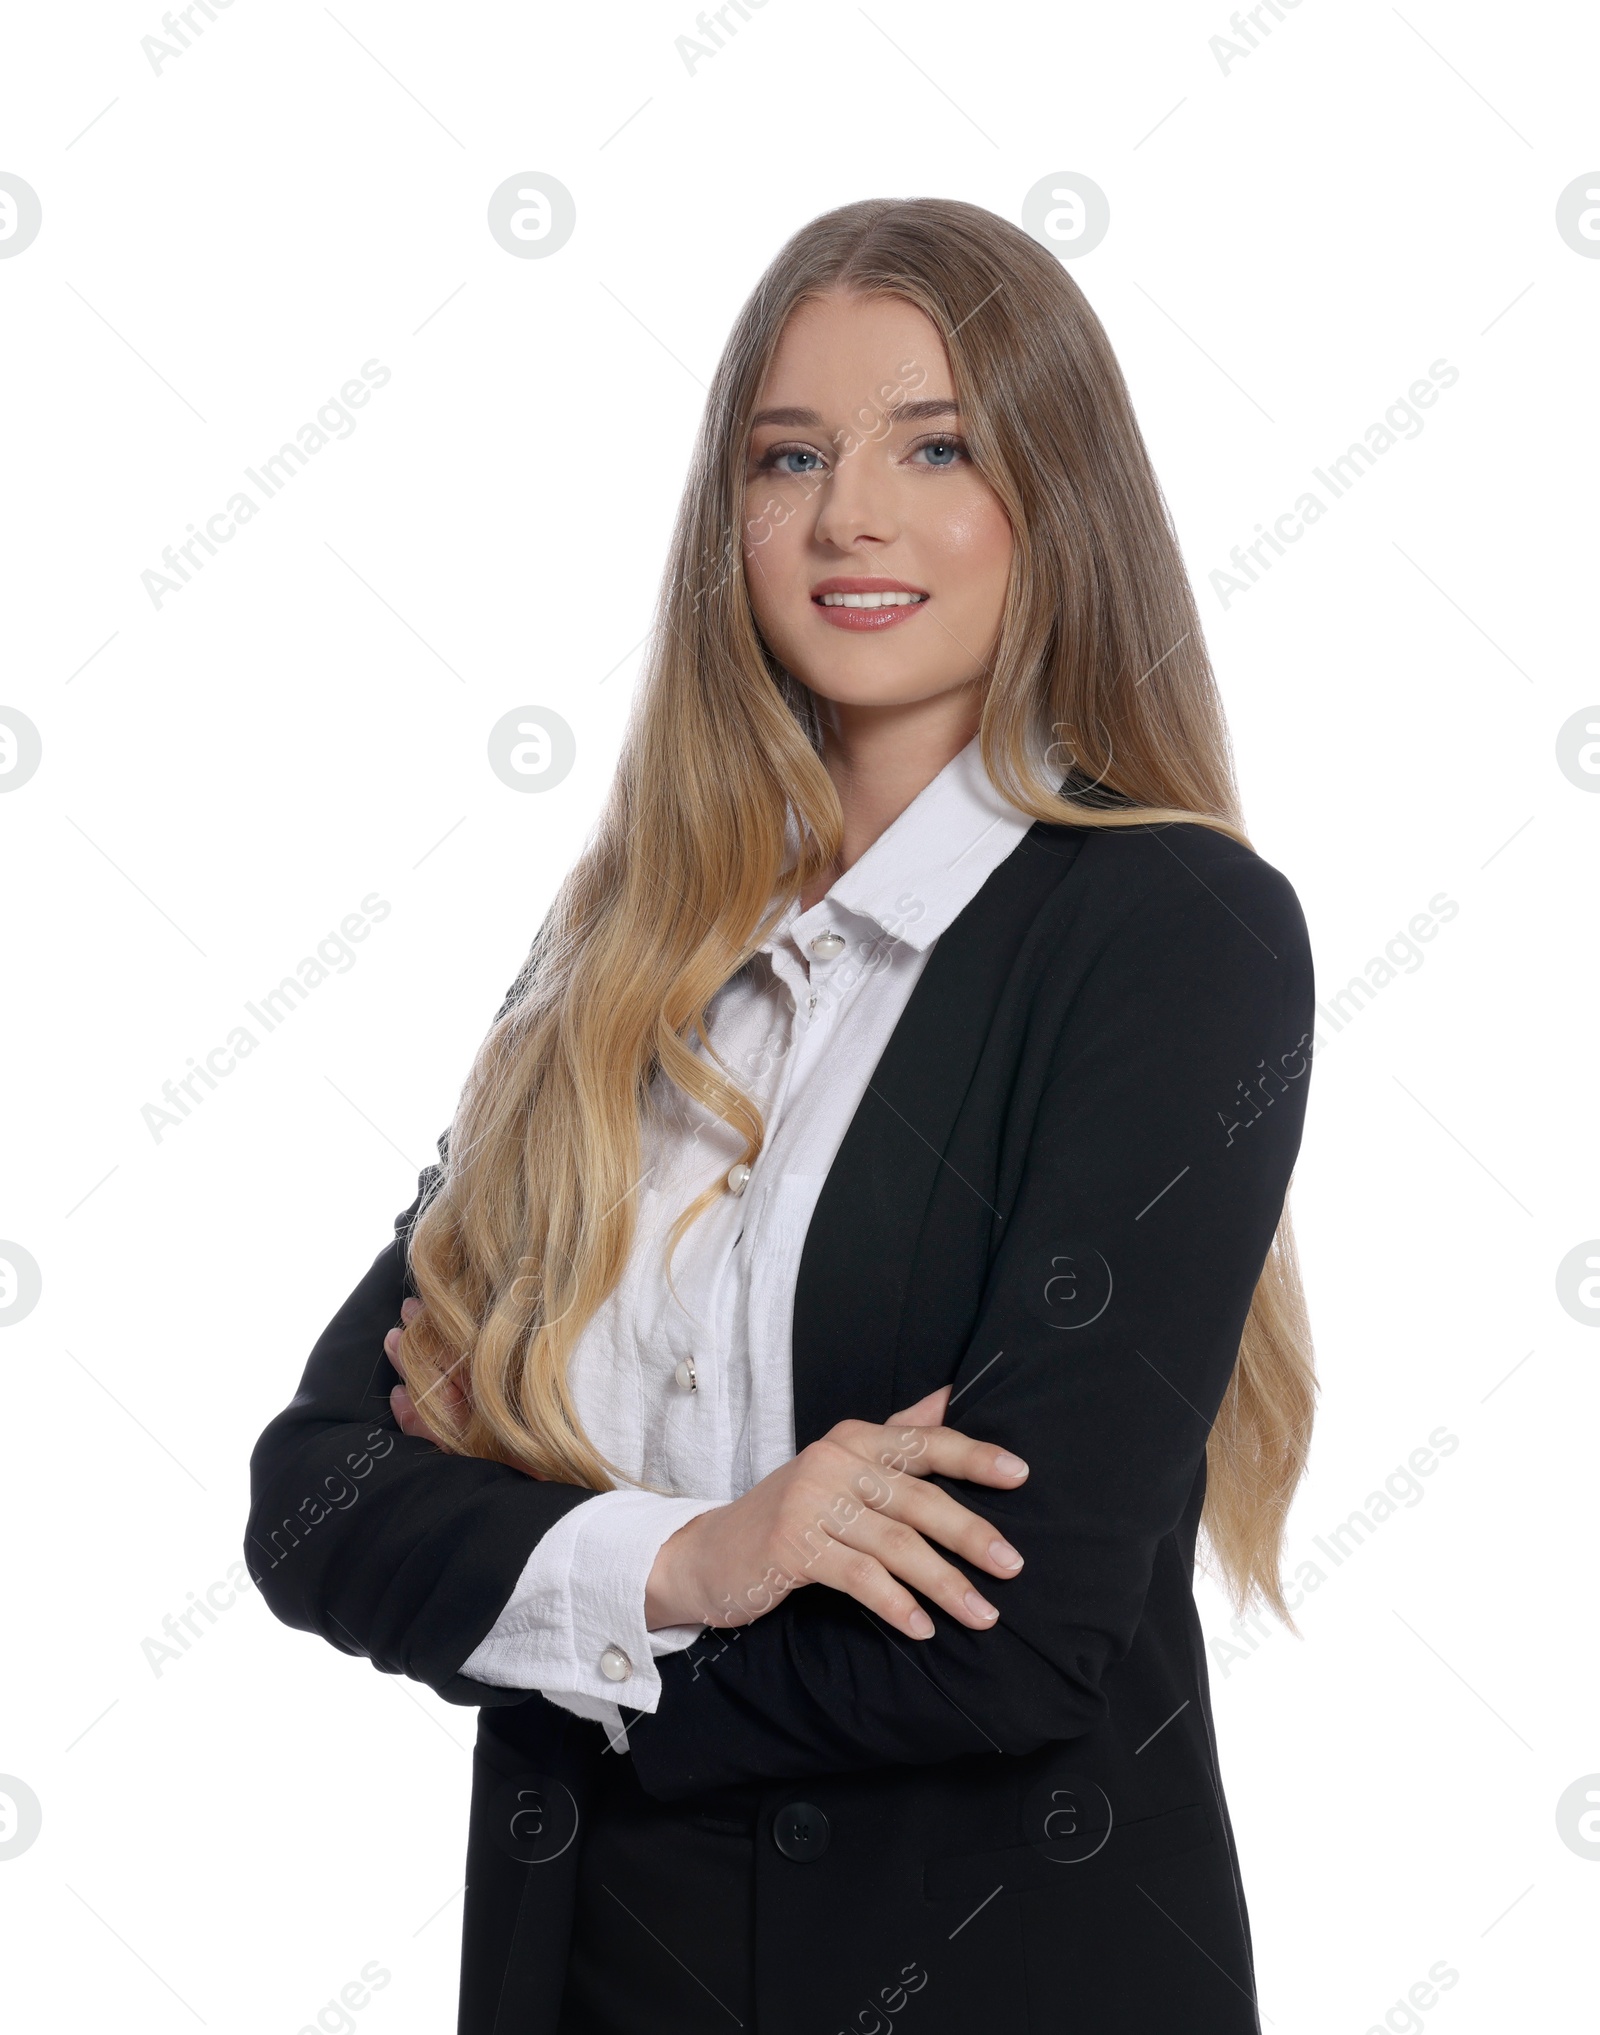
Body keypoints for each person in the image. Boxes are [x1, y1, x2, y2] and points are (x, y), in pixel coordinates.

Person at [245, 194, 1316, 2035]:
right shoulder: (622, 952)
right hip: (586, 1979)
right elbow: (320, 1495)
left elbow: (1023, 1633)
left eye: (938, 446)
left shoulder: (1170, 932)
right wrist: (701, 1555)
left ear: (1057, 502)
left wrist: (541, 1594)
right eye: (790, 455)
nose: (850, 518)